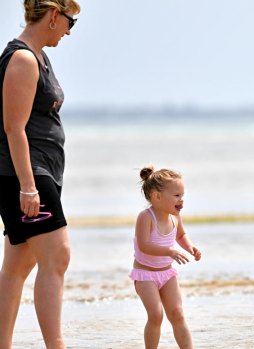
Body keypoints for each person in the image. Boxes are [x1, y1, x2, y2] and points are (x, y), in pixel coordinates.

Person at [0, 1, 81, 348]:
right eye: (69, 22)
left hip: (38, 171)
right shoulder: (22, 59)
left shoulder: (37, 56)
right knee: (58, 255)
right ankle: (56, 345)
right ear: (52, 16)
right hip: (28, 173)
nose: (68, 30)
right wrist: (29, 187)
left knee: (18, 264)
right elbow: (12, 128)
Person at [130, 167, 202, 349]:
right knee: (156, 315)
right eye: (176, 195)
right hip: (145, 275)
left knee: (177, 313)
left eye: (182, 194)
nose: (181, 199)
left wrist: (190, 246)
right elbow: (144, 245)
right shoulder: (146, 217)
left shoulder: (175, 216)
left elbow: (181, 235)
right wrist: (169, 251)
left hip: (167, 274)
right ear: (157, 197)